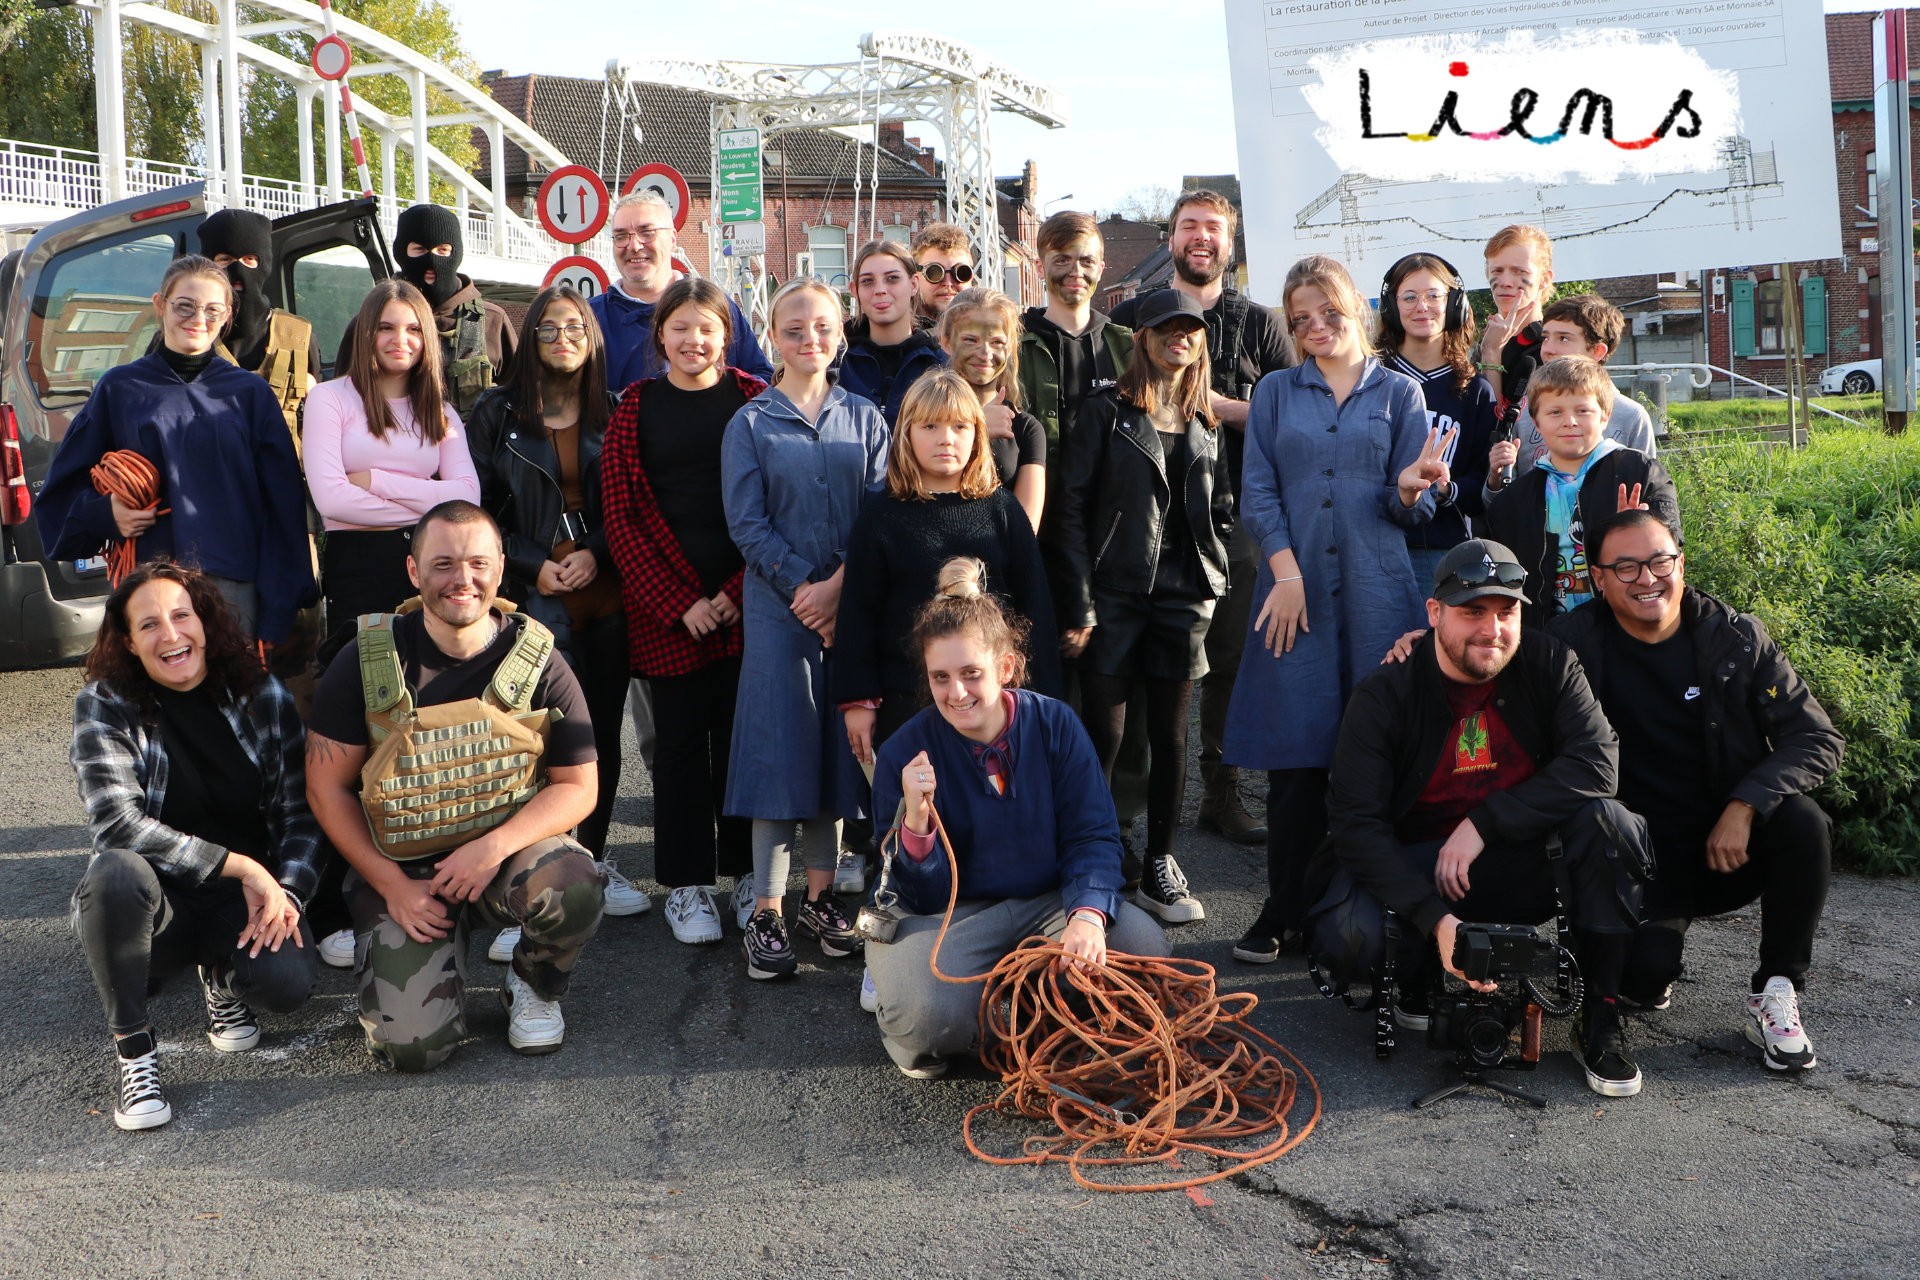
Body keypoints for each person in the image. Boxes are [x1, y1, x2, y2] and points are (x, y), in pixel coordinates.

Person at [1312, 538, 1652, 1097]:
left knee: (1611, 826)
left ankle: (1602, 1015)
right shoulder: (1384, 694)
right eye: (1472, 611)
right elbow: (1356, 826)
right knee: (1350, 937)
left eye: (1505, 611)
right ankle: (1420, 976)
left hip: (1514, 857)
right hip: (1416, 866)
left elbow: (1598, 762)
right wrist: (1435, 920)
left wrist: (1486, 823)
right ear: (1434, 612)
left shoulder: (1550, 663)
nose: (1491, 630)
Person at [303, 501, 607, 1070]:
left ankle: (534, 985)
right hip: (406, 871)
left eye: (476, 563)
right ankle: (434, 961)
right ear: (414, 572)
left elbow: (578, 786)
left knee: (577, 883)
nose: (461, 580)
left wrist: (491, 848)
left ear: (499, 568)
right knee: (413, 1050)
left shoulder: (538, 658)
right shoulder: (364, 658)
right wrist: (392, 886)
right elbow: (326, 789)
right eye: (442, 565)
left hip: (500, 861)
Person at [1553, 509, 1842, 1072]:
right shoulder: (1570, 646)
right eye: (1626, 566)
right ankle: (1644, 966)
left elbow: (1815, 736)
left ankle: (1776, 989)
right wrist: (1423, 643)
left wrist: (1745, 804)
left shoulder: (1734, 637)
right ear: (1598, 577)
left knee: (1804, 821)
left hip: (1723, 846)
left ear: (1681, 563)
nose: (1647, 578)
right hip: (1636, 862)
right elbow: (1493, 666)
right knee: (1642, 976)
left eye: (1660, 561)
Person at [1222, 254, 1449, 965]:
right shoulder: (1276, 392)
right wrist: (1285, 574)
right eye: (1300, 320)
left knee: (1377, 758)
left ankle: (1368, 906)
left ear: (1355, 305)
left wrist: (1412, 489)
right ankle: (1282, 906)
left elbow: (1409, 502)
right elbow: (1257, 493)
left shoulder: (1399, 395)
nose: (1316, 327)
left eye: (1328, 311)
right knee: (1295, 763)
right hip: (1295, 597)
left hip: (1379, 592)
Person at [865, 559, 1171, 1078]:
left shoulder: (1056, 724)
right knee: (929, 1020)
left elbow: (1092, 835)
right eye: (940, 678)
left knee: (1147, 960)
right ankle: (934, 1003)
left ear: (1005, 668)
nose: (955, 693)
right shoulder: (903, 755)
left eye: (970, 674)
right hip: (955, 915)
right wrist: (916, 828)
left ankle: (1032, 998)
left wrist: (1088, 916)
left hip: (1049, 902)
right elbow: (912, 897)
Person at [70, 561, 321, 1130]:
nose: (171, 634)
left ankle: (222, 975)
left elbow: (301, 813)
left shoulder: (263, 694)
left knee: (285, 985)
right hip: (161, 903)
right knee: (114, 871)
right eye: (150, 625)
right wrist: (240, 868)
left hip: (244, 899)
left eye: (182, 616)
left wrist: (286, 893)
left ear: (205, 621)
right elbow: (117, 825)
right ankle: (135, 1052)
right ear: (129, 643)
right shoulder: (105, 704)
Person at [1111, 190, 1293, 851]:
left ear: (1230, 242)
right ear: (1172, 236)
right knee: (1138, 669)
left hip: (1237, 516)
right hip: (1146, 524)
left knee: (1229, 663)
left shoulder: (1260, 322)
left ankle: (1221, 794)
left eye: (1213, 228)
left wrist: (1220, 407)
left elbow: (1286, 413)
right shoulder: (1133, 315)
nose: (1201, 238)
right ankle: (1130, 807)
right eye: (1189, 226)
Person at [722, 278, 890, 981]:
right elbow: (746, 523)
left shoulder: (868, 418)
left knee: (833, 753)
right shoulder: (750, 425)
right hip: (779, 612)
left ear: (840, 331)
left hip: (850, 607)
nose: (809, 338)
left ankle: (821, 904)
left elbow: (882, 513)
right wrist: (806, 591)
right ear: (773, 334)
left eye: (822, 326)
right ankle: (766, 912)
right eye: (794, 327)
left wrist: (840, 588)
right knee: (775, 754)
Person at [466, 286, 650, 921]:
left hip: (607, 590)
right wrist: (529, 563)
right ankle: (532, 871)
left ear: (592, 338)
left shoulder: (621, 410)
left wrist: (597, 549)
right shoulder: (495, 413)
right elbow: (481, 511)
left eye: (575, 328)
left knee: (597, 733)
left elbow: (634, 504)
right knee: (531, 738)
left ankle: (591, 863)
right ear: (531, 338)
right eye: (548, 329)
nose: (563, 339)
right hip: (530, 593)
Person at [1055, 290, 1233, 925]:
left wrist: (1215, 572)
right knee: (1105, 734)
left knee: (1168, 736)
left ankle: (1160, 861)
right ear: (1142, 338)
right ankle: (1097, 858)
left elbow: (1221, 506)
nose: (1178, 338)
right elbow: (1069, 510)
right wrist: (1078, 602)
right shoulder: (1105, 411)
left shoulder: (1204, 418)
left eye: (1190, 329)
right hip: (1114, 594)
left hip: (1185, 599)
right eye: (1166, 329)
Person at [600, 277, 768, 946]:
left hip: (746, 602)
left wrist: (731, 593)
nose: (695, 340)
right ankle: (687, 885)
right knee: (675, 752)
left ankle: (749, 877)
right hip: (664, 609)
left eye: (708, 328)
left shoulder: (755, 399)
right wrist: (680, 604)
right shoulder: (633, 408)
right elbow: (620, 518)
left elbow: (775, 506)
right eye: (681, 328)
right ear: (660, 335)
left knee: (739, 746)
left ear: (726, 335)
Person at [38, 255, 315, 644]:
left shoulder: (250, 395)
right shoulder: (119, 389)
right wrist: (106, 514)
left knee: (232, 698)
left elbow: (282, 506)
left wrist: (277, 607)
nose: (197, 317)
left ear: (227, 316)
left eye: (212, 310)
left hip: (232, 587)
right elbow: (61, 490)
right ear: (160, 305)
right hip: (149, 584)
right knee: (154, 702)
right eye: (184, 305)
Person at [835, 368, 1061, 764]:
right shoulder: (881, 517)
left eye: (960, 425)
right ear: (906, 433)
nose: (946, 438)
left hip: (994, 702)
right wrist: (858, 700)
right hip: (905, 701)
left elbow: (1034, 609)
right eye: (930, 426)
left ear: (977, 433)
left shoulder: (1002, 510)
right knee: (915, 816)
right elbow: (857, 614)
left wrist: (1045, 702)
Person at [304, 279, 480, 639]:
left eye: (413, 329)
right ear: (367, 333)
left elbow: (468, 499)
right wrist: (430, 502)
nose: (400, 340)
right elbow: (332, 500)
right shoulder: (329, 398)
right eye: (386, 327)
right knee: (360, 681)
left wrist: (374, 481)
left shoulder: (441, 412)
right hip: (357, 565)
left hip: (431, 562)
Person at [1480, 356, 1681, 628]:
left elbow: (1672, 548)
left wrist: (1641, 532)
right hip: (1549, 636)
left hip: (1628, 629)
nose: (1570, 421)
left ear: (1605, 417)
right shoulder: (1515, 499)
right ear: (1535, 423)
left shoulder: (1640, 472)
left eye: (1583, 411)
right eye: (1555, 412)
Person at [1377, 253, 1499, 588]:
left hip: (1442, 552)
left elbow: (1480, 489)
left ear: (1455, 304)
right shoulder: (1369, 381)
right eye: (1409, 297)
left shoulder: (1474, 391)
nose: (1422, 306)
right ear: (1391, 307)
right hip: (1373, 546)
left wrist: (1445, 490)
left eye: (1434, 295)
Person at [333, 204, 516, 416]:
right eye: (419, 250)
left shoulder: (493, 321)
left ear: (455, 253)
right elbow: (342, 398)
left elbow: (522, 398)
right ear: (403, 252)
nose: (432, 260)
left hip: (473, 447)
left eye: (443, 250)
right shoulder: (368, 321)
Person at [589, 189, 773, 390]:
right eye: (621, 236)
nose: (634, 245)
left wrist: (717, 398)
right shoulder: (590, 317)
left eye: (647, 233)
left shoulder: (715, 307)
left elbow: (762, 380)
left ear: (672, 239)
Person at [1488, 294, 1657, 500]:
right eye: (1545, 338)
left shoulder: (1631, 416)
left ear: (1597, 351)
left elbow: (1647, 494)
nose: (1548, 349)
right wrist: (1495, 482)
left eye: (1564, 338)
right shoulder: (1523, 410)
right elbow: (1500, 505)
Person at [1017, 211, 1134, 455]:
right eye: (1062, 260)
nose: (1076, 271)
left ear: (1100, 270)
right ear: (1040, 267)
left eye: (1086, 261)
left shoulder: (1125, 346)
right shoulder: (1012, 345)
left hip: (1112, 492)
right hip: (1038, 491)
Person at [195, 208, 321, 430]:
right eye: (224, 259)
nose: (237, 270)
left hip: (284, 463)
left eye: (249, 259)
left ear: (264, 264)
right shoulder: (187, 333)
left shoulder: (297, 335)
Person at [935, 288, 1046, 528]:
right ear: (946, 341)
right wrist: (978, 428)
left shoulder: (1025, 428)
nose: (985, 353)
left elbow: (1028, 528)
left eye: (997, 342)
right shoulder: (923, 416)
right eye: (970, 340)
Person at [836, 238, 947, 428]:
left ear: (913, 285)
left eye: (892, 278)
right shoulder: (836, 362)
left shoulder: (942, 361)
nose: (880, 290)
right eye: (868, 281)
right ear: (855, 290)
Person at [1476, 224, 1554, 423]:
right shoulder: (1483, 344)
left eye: (1519, 271)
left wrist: (1492, 354)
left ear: (1544, 279)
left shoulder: (1552, 346)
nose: (1505, 282)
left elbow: (1493, 423)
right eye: (1497, 270)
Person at [910, 222, 975, 327]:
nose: (948, 283)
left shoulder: (990, 335)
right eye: (934, 273)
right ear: (914, 280)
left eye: (961, 273)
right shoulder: (896, 335)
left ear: (971, 278)